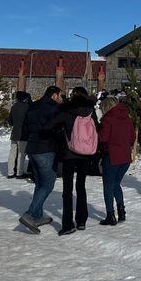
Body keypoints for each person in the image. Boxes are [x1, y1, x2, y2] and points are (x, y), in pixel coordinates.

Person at [42, 87, 98, 235]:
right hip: (86, 153)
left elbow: (48, 126)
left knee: (67, 189)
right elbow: (96, 129)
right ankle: (81, 220)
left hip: (69, 153)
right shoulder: (91, 112)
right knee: (81, 186)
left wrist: (60, 135)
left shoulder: (66, 111)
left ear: (72, 96)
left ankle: (67, 224)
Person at [18, 86, 62, 234]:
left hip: (31, 148)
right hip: (46, 149)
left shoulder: (33, 106)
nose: (60, 98)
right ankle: (30, 214)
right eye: (60, 96)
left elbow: (25, 127)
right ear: (54, 95)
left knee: (39, 184)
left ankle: (37, 215)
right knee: (48, 184)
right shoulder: (54, 108)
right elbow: (56, 130)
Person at [98, 96, 136, 225]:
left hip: (112, 156)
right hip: (125, 157)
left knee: (108, 186)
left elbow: (103, 138)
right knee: (116, 184)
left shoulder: (107, 119)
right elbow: (132, 137)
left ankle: (110, 215)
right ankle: (121, 211)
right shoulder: (127, 117)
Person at [6, 91, 31, 179]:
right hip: (23, 134)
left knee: (12, 153)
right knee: (21, 153)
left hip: (14, 133)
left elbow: (10, 121)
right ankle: (19, 172)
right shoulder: (27, 107)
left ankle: (10, 172)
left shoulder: (14, 107)